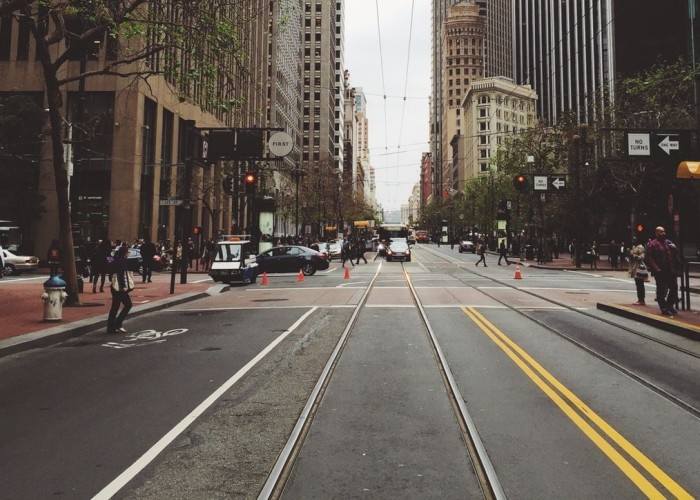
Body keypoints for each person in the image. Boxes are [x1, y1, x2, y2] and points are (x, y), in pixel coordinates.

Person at [646, 226, 680, 316]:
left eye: (664, 231)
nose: (663, 233)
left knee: (674, 288)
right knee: (661, 290)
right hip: (660, 271)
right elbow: (649, 258)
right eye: (661, 232)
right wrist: (656, 269)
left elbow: (675, 254)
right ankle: (664, 308)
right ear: (657, 233)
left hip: (670, 270)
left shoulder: (668, 242)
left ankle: (669, 305)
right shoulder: (652, 244)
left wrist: (675, 248)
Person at [107, 245, 133, 334]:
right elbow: (122, 274)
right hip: (120, 287)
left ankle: (110, 327)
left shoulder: (112, 258)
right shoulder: (123, 261)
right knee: (128, 304)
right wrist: (124, 286)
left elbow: (109, 264)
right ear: (125, 253)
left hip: (113, 285)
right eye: (127, 252)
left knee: (115, 307)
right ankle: (118, 324)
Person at [628, 237, 646, 305]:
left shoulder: (640, 247)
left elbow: (642, 257)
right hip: (634, 267)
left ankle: (642, 300)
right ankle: (639, 299)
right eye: (632, 239)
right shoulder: (634, 247)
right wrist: (629, 253)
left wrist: (633, 255)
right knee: (638, 284)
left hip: (639, 267)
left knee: (640, 284)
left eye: (634, 239)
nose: (633, 241)